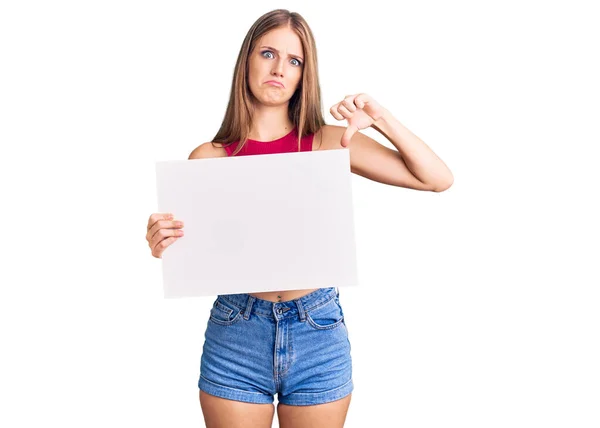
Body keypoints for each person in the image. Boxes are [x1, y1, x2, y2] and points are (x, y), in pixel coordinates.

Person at [145, 8, 453, 428]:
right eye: (268, 53)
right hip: (237, 329)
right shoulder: (208, 157)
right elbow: (195, 253)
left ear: (305, 75)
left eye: (295, 60)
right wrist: (162, 242)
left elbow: (437, 179)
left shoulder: (329, 141)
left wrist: (381, 119)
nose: (279, 68)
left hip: (316, 328)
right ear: (247, 61)